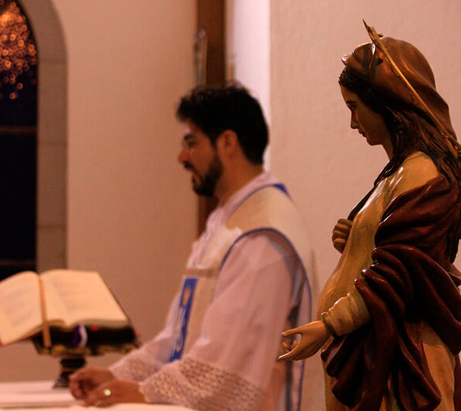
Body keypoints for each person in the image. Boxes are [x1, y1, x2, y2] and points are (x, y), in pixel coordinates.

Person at [70, 84, 320, 410]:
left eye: (191, 142)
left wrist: (141, 391)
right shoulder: (227, 222)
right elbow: (180, 338)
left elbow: (224, 370)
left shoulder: (262, 237)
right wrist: (118, 375)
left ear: (227, 143)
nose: (182, 157)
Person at [278, 23, 461, 411]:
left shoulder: (423, 173)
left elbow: (398, 271)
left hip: (402, 363)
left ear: (386, 104)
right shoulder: (397, 173)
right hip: (370, 348)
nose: (353, 123)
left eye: (355, 107)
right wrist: (356, 237)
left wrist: (328, 325)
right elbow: (394, 245)